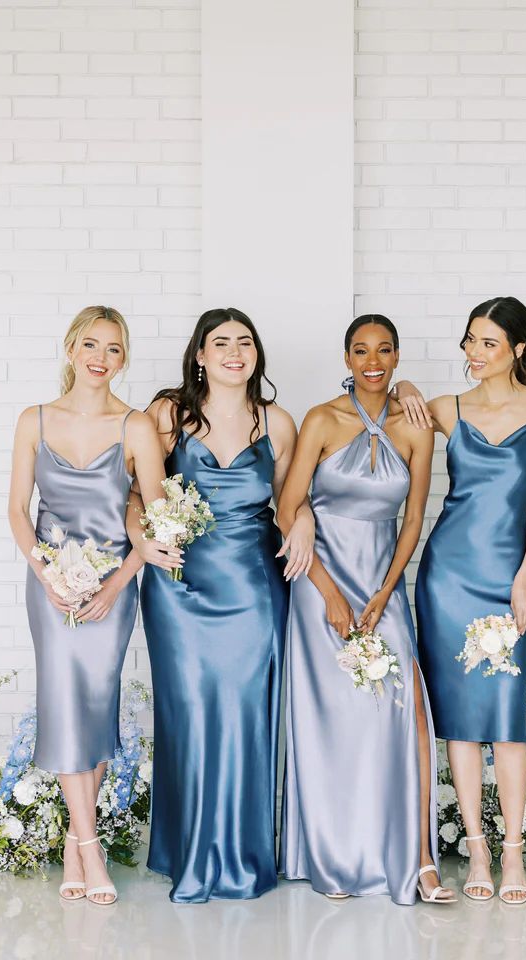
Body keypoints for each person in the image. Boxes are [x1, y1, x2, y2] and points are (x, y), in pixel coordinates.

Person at [127, 307, 314, 903]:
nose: (235, 351)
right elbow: (135, 494)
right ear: (200, 355)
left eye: (245, 342)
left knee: (245, 714)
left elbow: (292, 501)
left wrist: (304, 519)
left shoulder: (278, 423)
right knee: (188, 714)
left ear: (256, 354)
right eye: (221, 342)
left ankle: (243, 854)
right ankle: (190, 851)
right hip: (179, 586)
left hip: (255, 588)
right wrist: (139, 536)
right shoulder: (168, 416)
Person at [278, 315, 455, 906]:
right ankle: (333, 853)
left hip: (384, 583)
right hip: (320, 581)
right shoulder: (322, 419)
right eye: (361, 350)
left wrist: (386, 590)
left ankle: (420, 858)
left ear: (397, 356)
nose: (372, 360)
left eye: (384, 351)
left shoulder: (415, 427)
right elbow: (288, 506)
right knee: (334, 717)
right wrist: (328, 592)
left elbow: (413, 520)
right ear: (347, 357)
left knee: (406, 713)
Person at [411, 297, 526, 904]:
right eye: (470, 341)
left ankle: (512, 855)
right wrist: (402, 387)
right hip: (447, 576)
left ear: (518, 350)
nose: (473, 354)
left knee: (505, 718)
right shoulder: (450, 409)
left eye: (488, 344)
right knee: (459, 720)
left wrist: (525, 575)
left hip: (508, 578)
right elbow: (400, 401)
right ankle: (475, 847)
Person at [8, 307, 166, 905]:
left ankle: (79, 839)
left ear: (123, 358)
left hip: (112, 587)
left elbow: (153, 518)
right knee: (66, 702)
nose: (102, 357)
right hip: (51, 588)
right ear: (72, 348)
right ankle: (89, 847)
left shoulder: (136, 427)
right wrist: (46, 573)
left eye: (115, 349)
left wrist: (116, 582)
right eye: (92, 345)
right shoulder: (34, 419)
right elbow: (17, 511)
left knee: (95, 705)